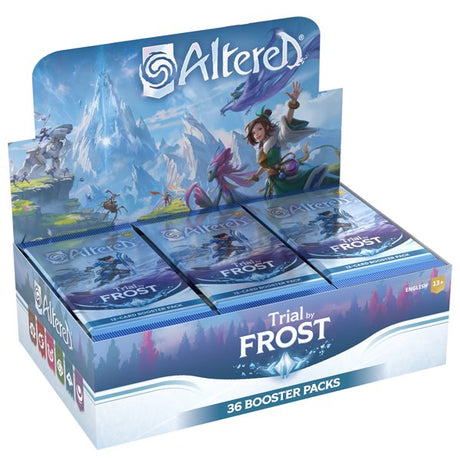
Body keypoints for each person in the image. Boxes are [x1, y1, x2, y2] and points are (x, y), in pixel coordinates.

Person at [245, 81, 327, 197]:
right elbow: (265, 165)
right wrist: (255, 176)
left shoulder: (275, 139)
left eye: (259, 129)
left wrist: (292, 103)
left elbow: (287, 123)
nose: (256, 134)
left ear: (266, 127)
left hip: (282, 173)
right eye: (253, 132)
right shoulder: (262, 147)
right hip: (273, 178)